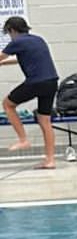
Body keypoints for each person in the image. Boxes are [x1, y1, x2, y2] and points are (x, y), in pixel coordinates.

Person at [0, 16, 58, 168]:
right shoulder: (38, 39)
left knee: (7, 104)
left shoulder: (17, 42)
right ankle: (50, 160)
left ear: (12, 30)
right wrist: (4, 64)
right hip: (52, 81)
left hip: (36, 82)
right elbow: (26, 58)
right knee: (44, 120)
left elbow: (1, 56)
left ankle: (23, 139)